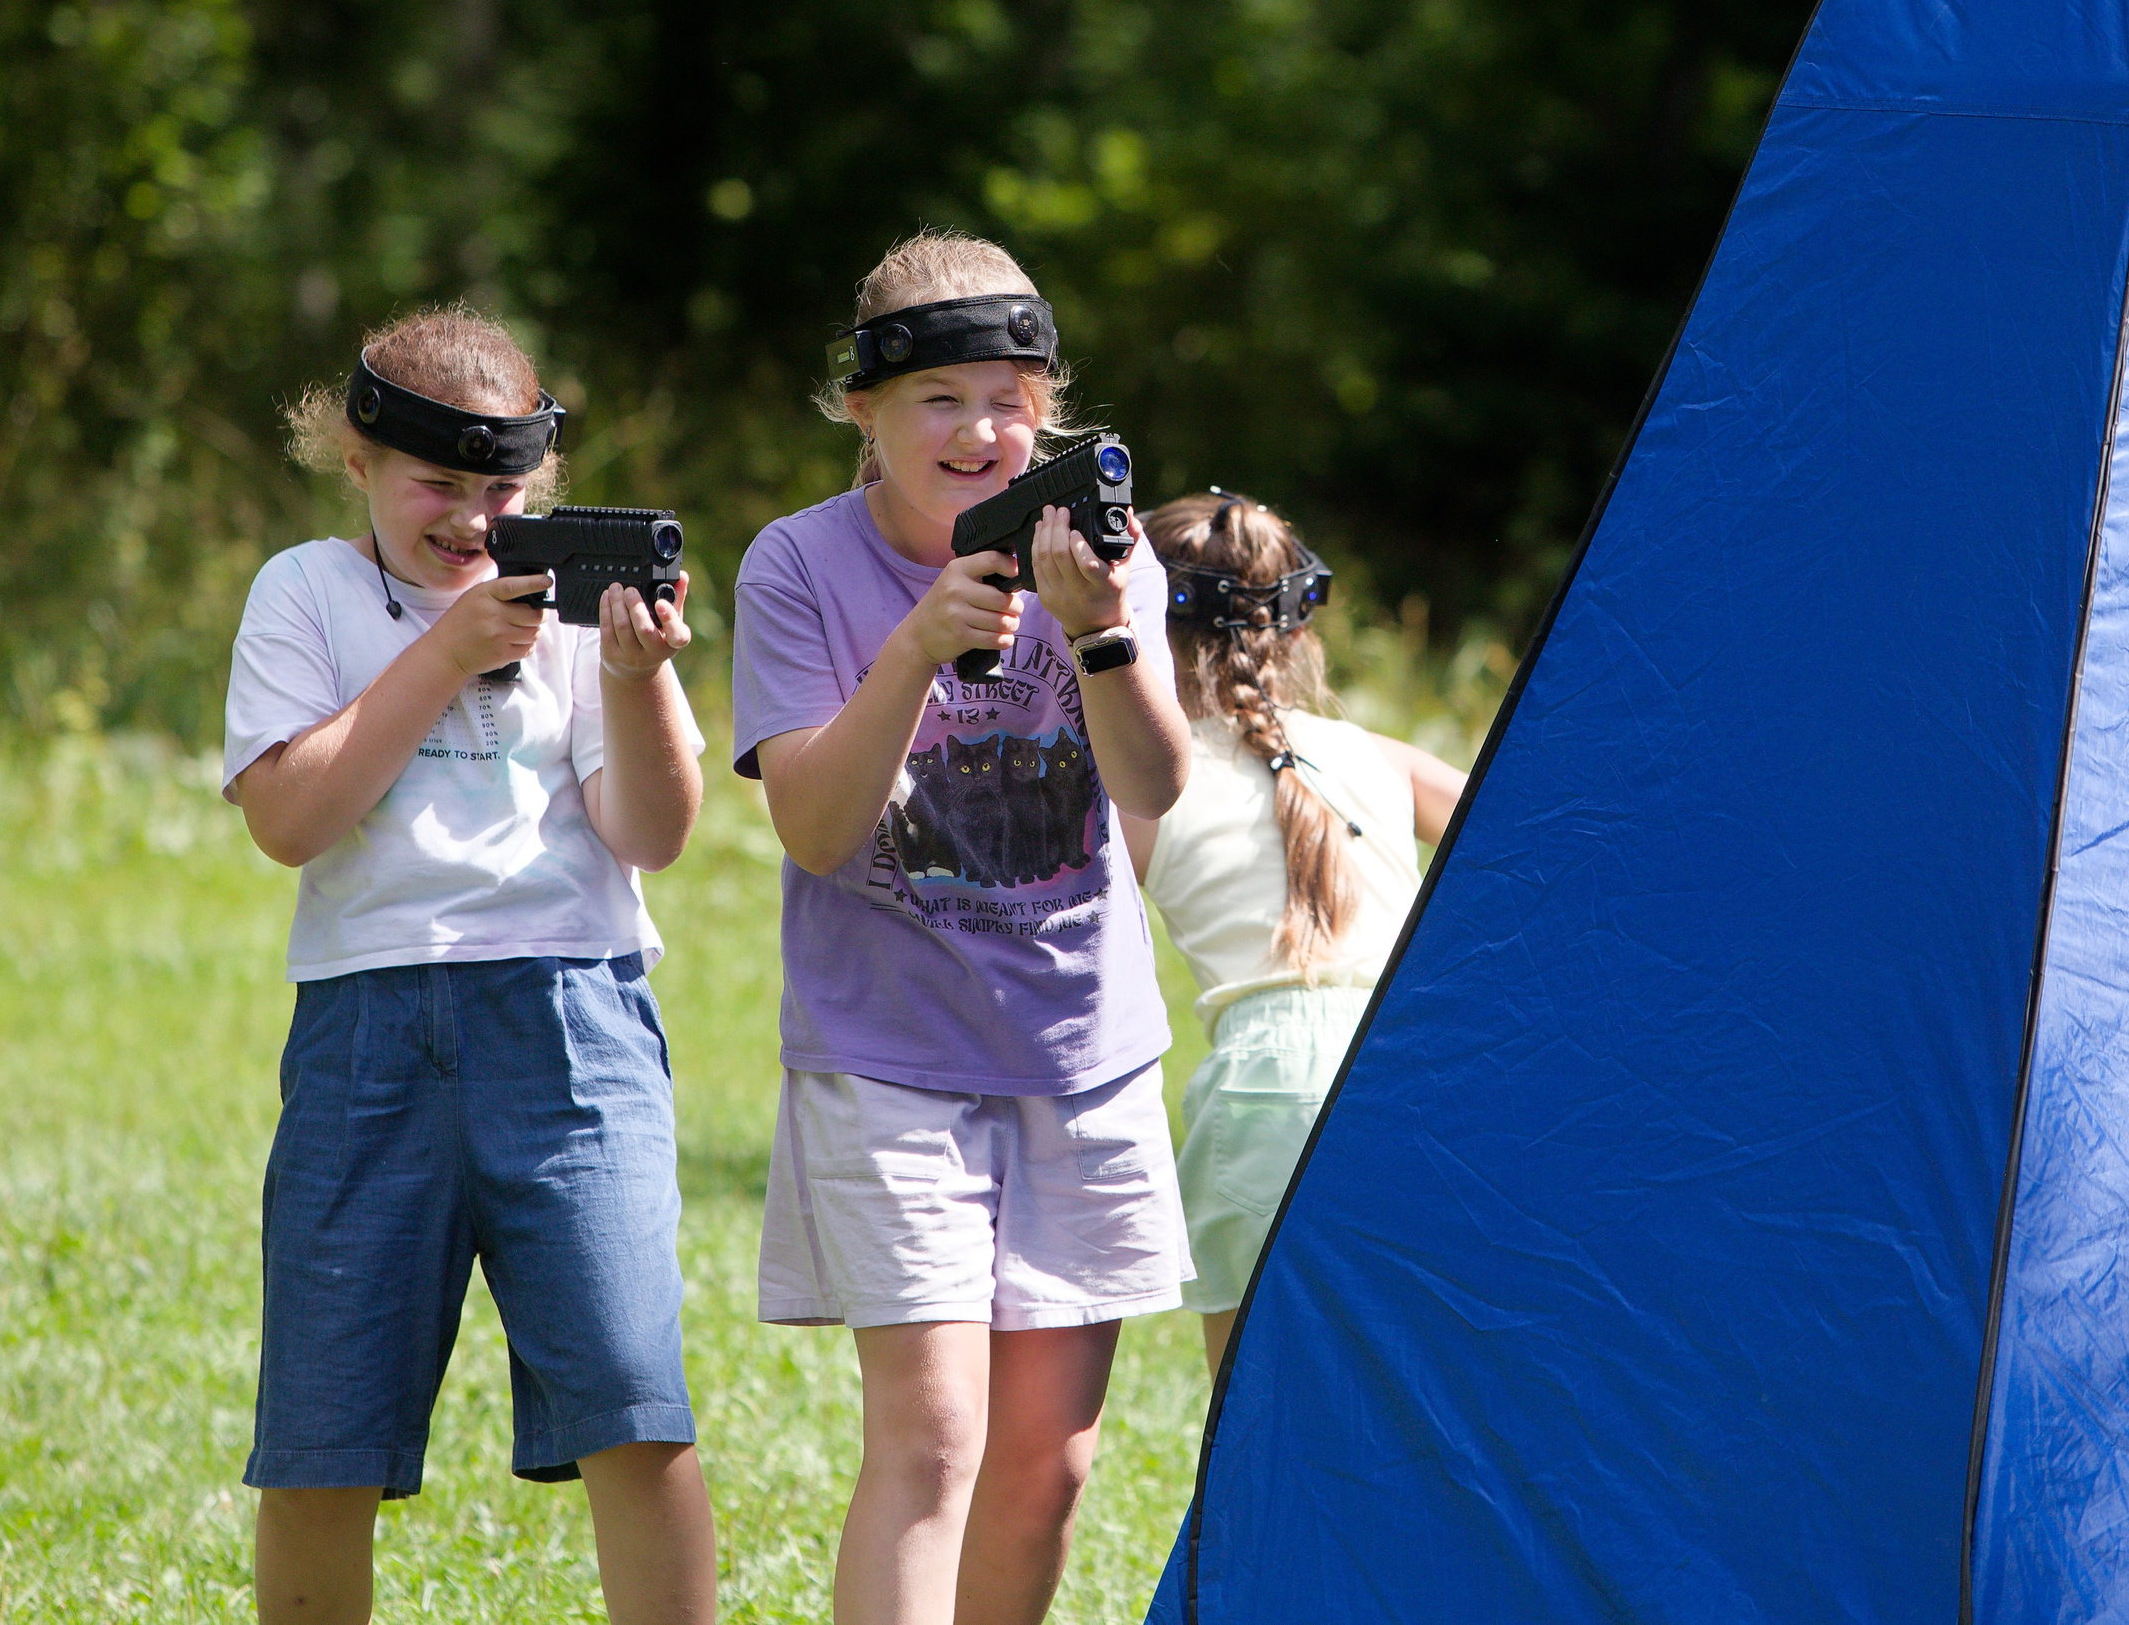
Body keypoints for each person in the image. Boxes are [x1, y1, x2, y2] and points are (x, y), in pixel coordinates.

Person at [221, 304, 717, 1625]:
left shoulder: (578, 607)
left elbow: (654, 834)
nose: (473, 518)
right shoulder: (305, 592)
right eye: (436, 483)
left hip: (574, 1019)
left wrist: (636, 677)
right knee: (322, 1433)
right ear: (358, 461)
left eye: (504, 490)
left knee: (636, 1403)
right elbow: (289, 819)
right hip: (367, 1031)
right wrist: (444, 651)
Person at [732, 229, 1193, 1625]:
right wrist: (918, 645)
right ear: (861, 410)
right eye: (939, 398)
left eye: (1009, 399)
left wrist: (1101, 629)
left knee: (1048, 1467)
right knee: (933, 1440)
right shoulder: (799, 563)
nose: (979, 431)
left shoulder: (1106, 556)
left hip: (1082, 1051)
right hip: (887, 1054)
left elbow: (1155, 783)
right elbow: (816, 827)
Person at [1124, 491, 1465, 1375]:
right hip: (1415, 1074)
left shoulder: (1144, 793)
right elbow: (1528, 854)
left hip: (1262, 1092)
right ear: (1300, 628)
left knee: (1255, 1409)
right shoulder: (1384, 758)